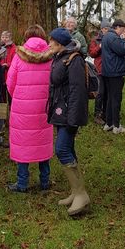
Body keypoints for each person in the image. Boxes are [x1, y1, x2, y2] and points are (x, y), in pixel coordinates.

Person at [47, 27, 89, 216]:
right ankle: (76, 192)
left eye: (51, 41)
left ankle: (81, 194)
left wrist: (73, 118)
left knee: (62, 149)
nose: (49, 44)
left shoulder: (75, 59)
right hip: (60, 111)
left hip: (69, 114)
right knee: (68, 149)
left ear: (60, 43)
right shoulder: (60, 57)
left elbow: (77, 91)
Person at [6, 26, 53, 192]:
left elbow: (10, 83)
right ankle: (45, 181)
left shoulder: (19, 57)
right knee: (43, 142)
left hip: (22, 106)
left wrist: (19, 97)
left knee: (23, 143)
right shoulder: (51, 57)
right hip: (44, 106)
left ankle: (22, 182)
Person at [101, 19, 125, 133]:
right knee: (116, 99)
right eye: (122, 29)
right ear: (117, 27)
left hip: (108, 71)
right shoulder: (113, 37)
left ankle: (109, 123)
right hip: (115, 72)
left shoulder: (106, 36)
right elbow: (123, 50)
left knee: (110, 99)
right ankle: (116, 126)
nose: (123, 32)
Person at [88, 18, 111, 124]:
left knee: (107, 93)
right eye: (106, 28)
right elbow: (92, 53)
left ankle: (106, 114)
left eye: (109, 28)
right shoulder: (96, 40)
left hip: (110, 70)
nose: (107, 30)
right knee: (100, 93)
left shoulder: (112, 39)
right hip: (100, 70)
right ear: (102, 29)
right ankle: (97, 115)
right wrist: (99, 47)